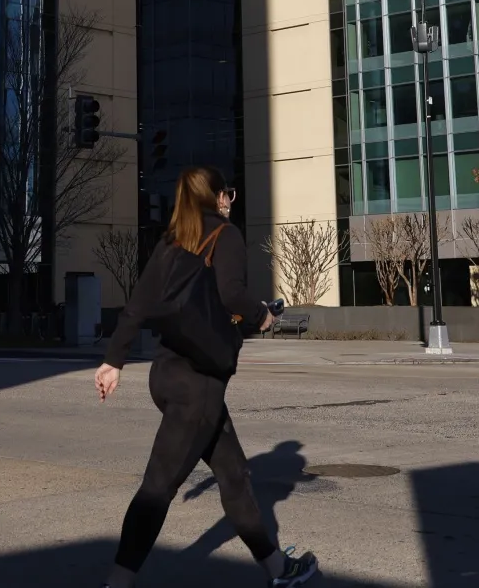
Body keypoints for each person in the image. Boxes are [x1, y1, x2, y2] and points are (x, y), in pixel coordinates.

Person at [94, 166, 319, 587]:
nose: (230, 200)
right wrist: (262, 315)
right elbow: (232, 294)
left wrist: (114, 362)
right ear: (217, 198)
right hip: (196, 385)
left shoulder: (171, 242)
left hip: (167, 374)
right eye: (228, 193)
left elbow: (137, 307)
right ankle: (117, 583)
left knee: (233, 474)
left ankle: (277, 570)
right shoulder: (225, 235)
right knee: (157, 488)